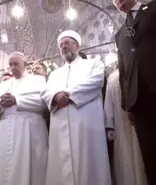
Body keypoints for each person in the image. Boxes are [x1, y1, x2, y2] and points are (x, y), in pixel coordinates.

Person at [113, 0, 156, 184]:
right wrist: (126, 103)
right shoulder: (120, 34)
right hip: (140, 105)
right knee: (154, 162)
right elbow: (123, 72)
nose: (116, 0)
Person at [41, 30, 111, 185]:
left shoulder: (93, 64)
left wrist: (67, 94)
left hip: (86, 124)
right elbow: (45, 92)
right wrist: (55, 96)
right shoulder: (54, 74)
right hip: (59, 125)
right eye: (61, 45)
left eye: (68, 43)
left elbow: (96, 82)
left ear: (78, 45)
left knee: (88, 163)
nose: (64, 47)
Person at [0, 52, 48, 185]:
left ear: (25, 64)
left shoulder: (38, 80)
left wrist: (17, 100)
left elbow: (44, 102)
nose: (13, 67)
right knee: (3, 164)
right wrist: (0, 104)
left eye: (16, 64)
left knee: (28, 164)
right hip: (5, 128)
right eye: (10, 65)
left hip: (29, 129)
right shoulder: (4, 84)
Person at [104, 69, 147, 185]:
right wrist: (110, 126)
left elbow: (108, 108)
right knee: (128, 155)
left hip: (131, 122)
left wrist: (109, 125)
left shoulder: (114, 78)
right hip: (122, 123)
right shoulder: (113, 79)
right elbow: (108, 105)